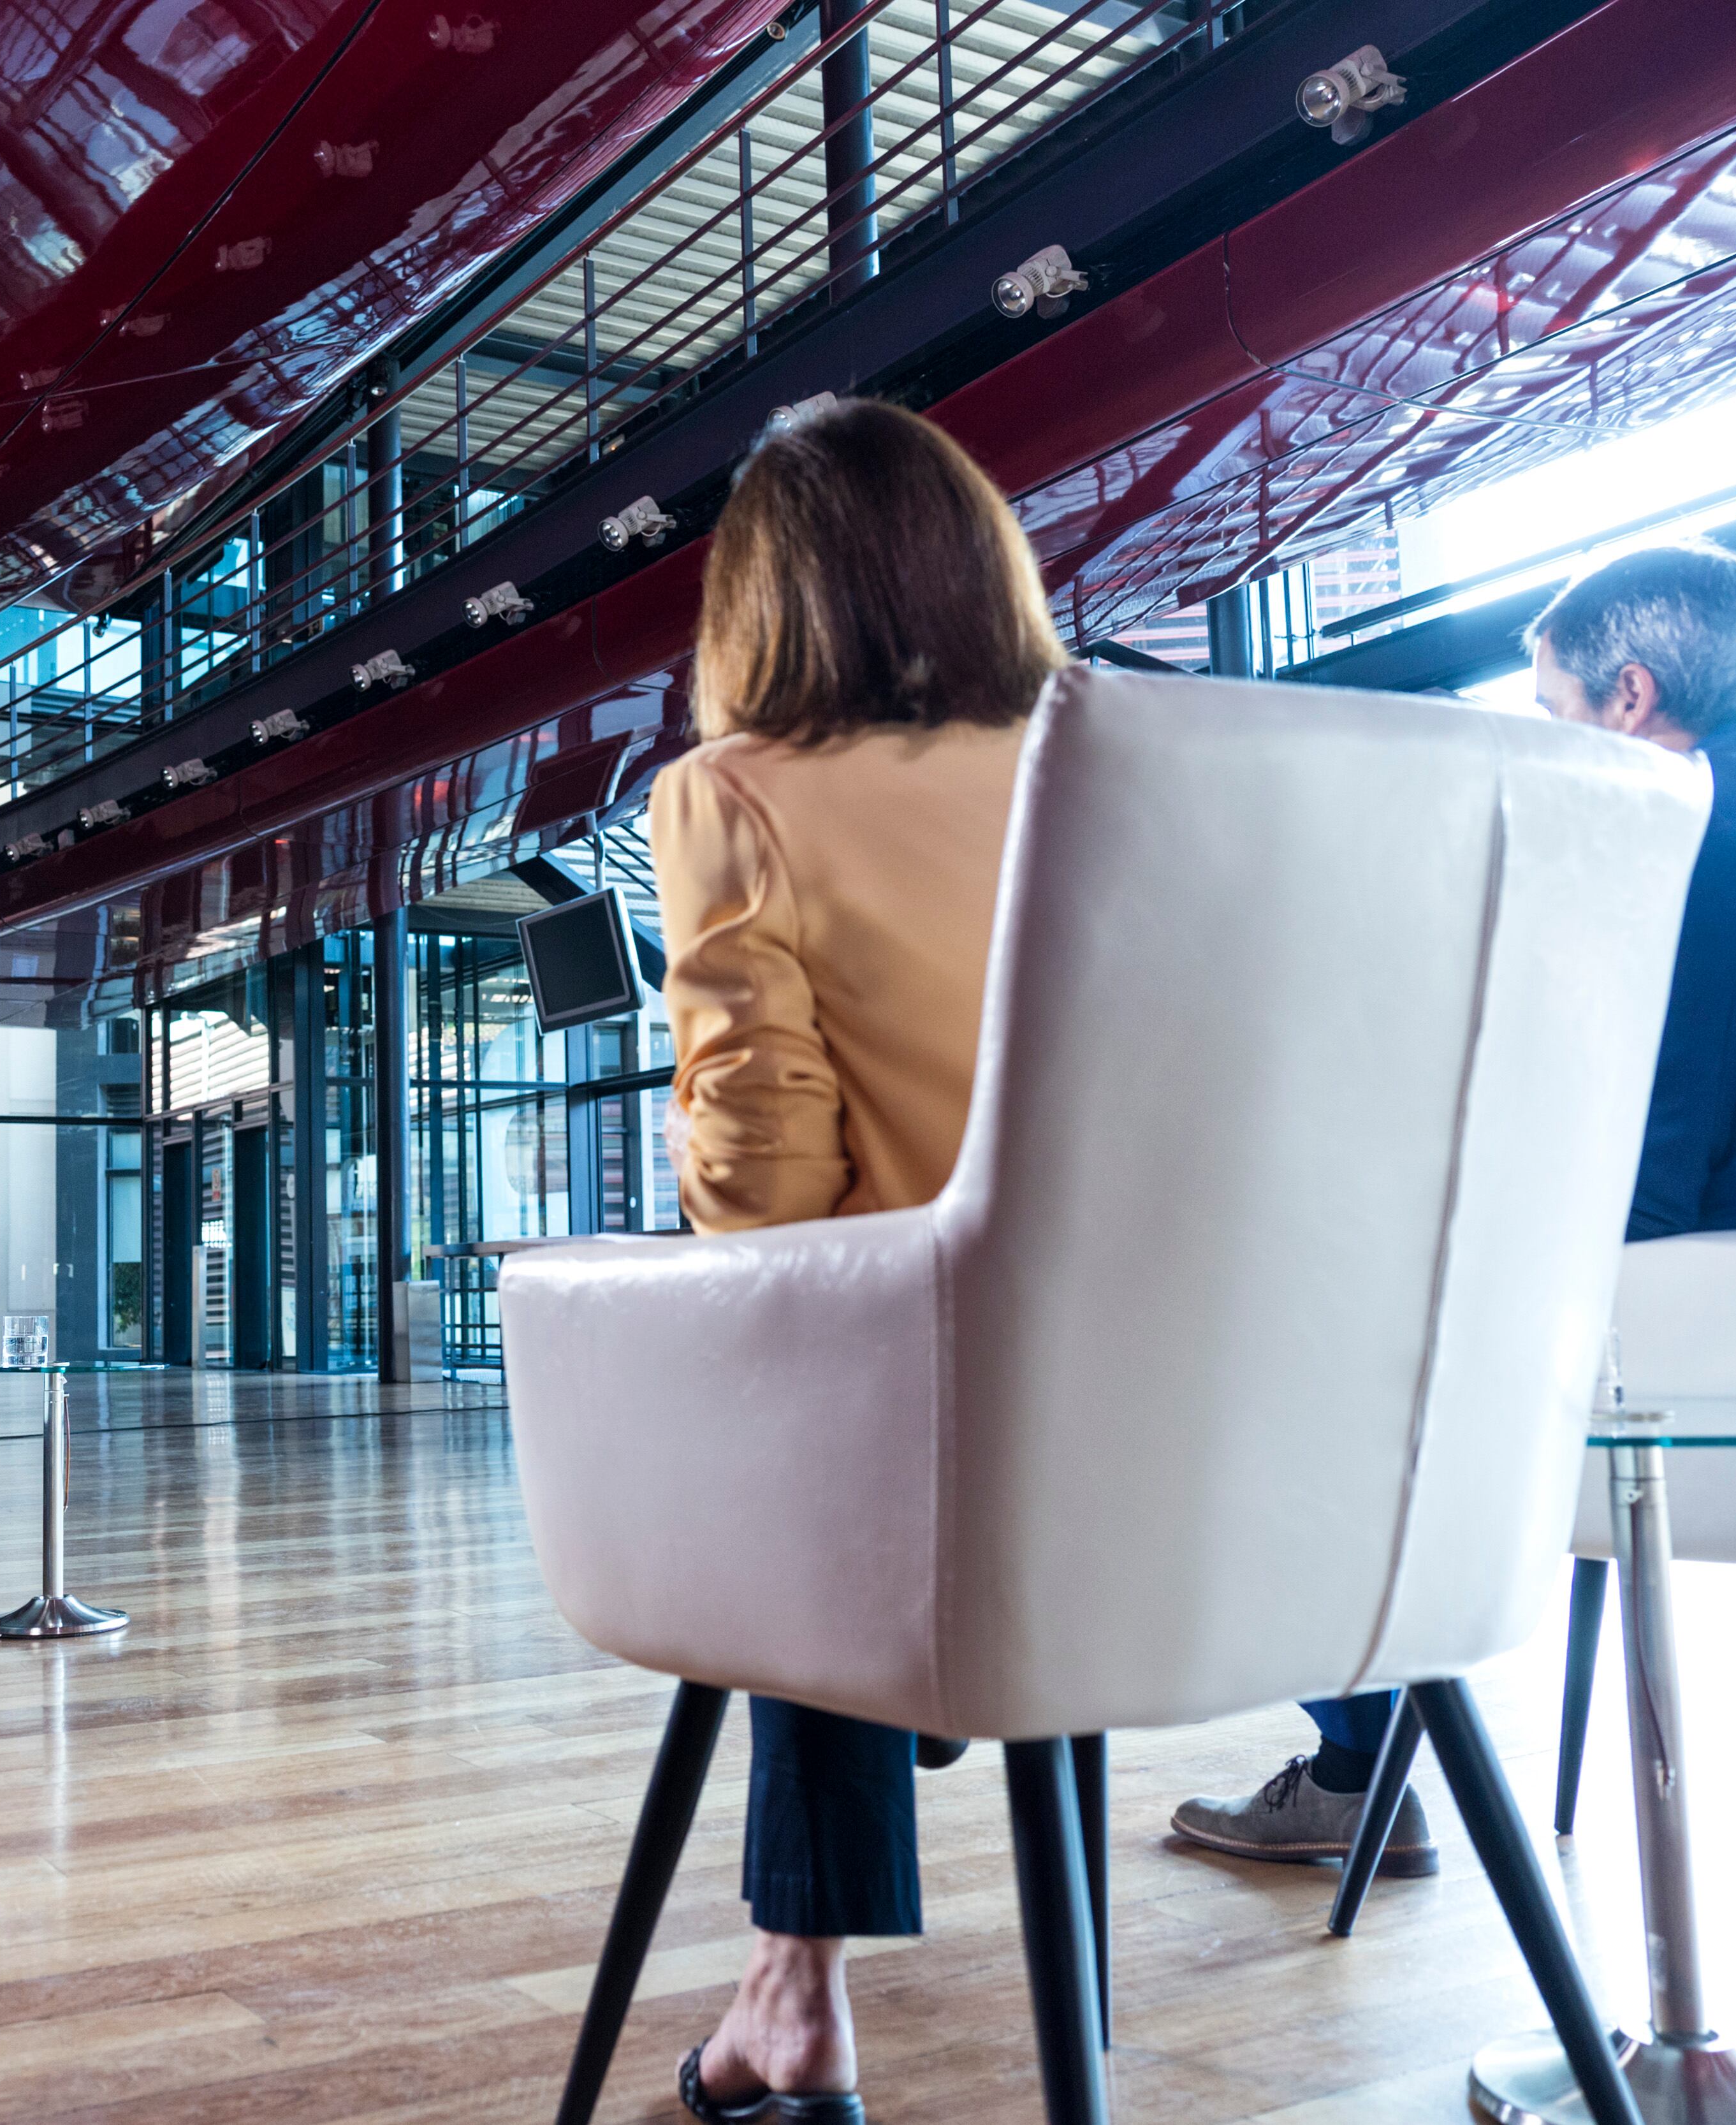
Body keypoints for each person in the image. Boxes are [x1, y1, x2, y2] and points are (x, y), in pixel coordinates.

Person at [1171, 539, 1736, 1873]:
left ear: (1633, 698)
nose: (1552, 741)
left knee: (1275, 1316)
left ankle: (1355, 1764)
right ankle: (1360, 1753)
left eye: (1554, 712)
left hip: (1722, 1340)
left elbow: (1645, 1179)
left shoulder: (1717, 838)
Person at [653, 398, 1064, 2121]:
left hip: (927, 1450)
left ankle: (799, 1991)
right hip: (1203, 1453)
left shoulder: (737, 793)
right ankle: (793, 1966)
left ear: (761, 598)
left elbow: (766, 1196)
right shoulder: (1098, 757)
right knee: (862, 1389)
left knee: (803, 1398)